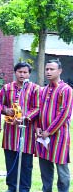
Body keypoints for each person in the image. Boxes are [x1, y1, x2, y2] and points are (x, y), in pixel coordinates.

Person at [0, 62, 40, 192]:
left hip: (27, 134)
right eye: (19, 72)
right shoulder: (7, 88)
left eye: (25, 72)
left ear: (29, 74)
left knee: (26, 165)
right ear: (15, 72)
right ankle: (11, 188)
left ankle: (24, 189)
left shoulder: (34, 88)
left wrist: (25, 117)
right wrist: (7, 110)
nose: (22, 74)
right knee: (11, 162)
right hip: (10, 134)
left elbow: (37, 107)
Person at [36, 59, 72, 192]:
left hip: (59, 137)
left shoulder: (66, 90)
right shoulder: (44, 90)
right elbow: (40, 110)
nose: (48, 72)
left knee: (62, 172)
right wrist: (38, 128)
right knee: (45, 170)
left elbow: (65, 113)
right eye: (47, 69)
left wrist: (49, 131)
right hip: (43, 137)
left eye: (52, 69)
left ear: (60, 71)